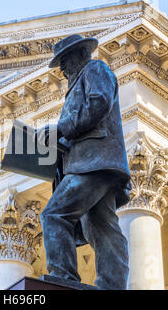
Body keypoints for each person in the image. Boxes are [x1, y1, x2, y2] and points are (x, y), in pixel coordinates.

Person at [36, 34, 131, 290]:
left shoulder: (95, 69)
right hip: (91, 161)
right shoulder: (79, 81)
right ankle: (113, 285)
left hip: (94, 162)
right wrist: (59, 142)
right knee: (102, 227)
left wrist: (61, 128)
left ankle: (63, 277)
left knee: (54, 214)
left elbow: (98, 104)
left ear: (79, 55)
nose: (63, 69)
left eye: (64, 61)